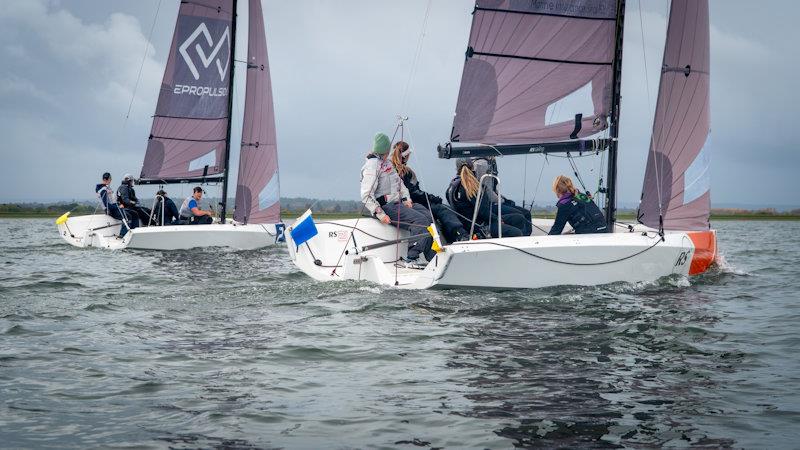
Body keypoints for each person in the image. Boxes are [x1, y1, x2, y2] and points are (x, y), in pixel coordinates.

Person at [361, 132, 434, 267]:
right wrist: (380, 214)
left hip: (399, 203)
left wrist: (407, 198)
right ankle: (412, 258)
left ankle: (431, 256)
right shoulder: (372, 166)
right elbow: (366, 195)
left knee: (428, 216)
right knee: (420, 221)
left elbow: (400, 183)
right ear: (385, 149)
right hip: (387, 207)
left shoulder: (386, 163)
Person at [390, 141, 468, 243]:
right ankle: (460, 235)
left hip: (400, 203)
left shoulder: (389, 169)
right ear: (406, 156)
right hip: (411, 203)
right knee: (442, 209)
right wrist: (432, 198)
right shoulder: (406, 172)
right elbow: (414, 193)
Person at [446, 159, 528, 238]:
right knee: (517, 233)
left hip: (469, 225)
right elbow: (484, 212)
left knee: (518, 218)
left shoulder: (451, 188)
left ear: (457, 169)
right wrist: (497, 219)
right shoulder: (474, 187)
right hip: (480, 227)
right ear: (472, 167)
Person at [472, 156, 533, 236]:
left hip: (495, 201)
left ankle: (526, 238)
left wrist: (504, 198)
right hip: (490, 204)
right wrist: (501, 200)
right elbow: (487, 190)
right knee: (520, 215)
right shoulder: (481, 164)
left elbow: (493, 188)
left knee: (526, 213)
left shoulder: (491, 162)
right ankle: (521, 238)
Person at [96, 172, 137, 237]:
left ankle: (135, 232)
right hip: (110, 210)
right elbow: (107, 205)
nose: (111, 180)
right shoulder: (103, 190)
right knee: (128, 216)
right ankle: (122, 235)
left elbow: (112, 200)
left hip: (114, 208)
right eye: (110, 179)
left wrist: (118, 205)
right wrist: (117, 206)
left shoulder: (106, 188)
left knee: (134, 213)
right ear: (107, 179)